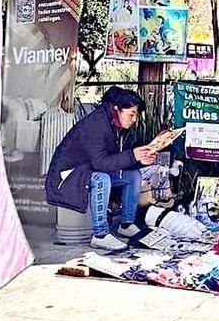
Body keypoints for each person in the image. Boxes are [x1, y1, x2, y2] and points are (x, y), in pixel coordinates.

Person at [44, 86, 157, 251]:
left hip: (86, 172)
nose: (134, 119)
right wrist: (133, 155)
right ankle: (101, 235)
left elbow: (117, 161)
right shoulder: (96, 124)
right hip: (66, 178)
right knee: (101, 178)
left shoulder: (118, 125)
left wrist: (141, 160)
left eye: (137, 115)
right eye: (131, 114)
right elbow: (101, 164)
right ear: (117, 108)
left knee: (132, 175)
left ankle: (126, 224)